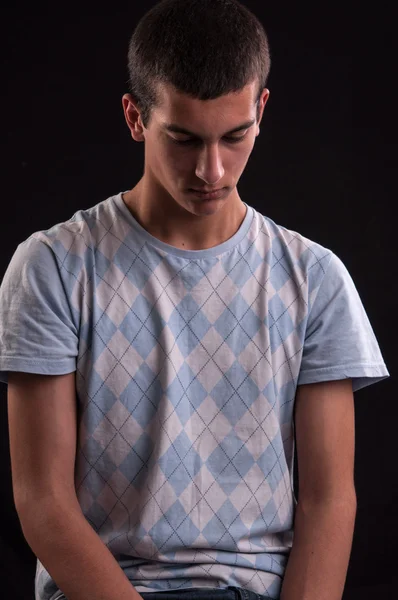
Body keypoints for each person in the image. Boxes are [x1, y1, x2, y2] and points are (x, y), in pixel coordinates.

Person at [0, 1, 389, 600]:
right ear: (135, 117)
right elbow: (42, 501)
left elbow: (328, 499)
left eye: (236, 137)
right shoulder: (53, 267)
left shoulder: (316, 280)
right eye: (182, 139)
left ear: (262, 110)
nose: (212, 169)